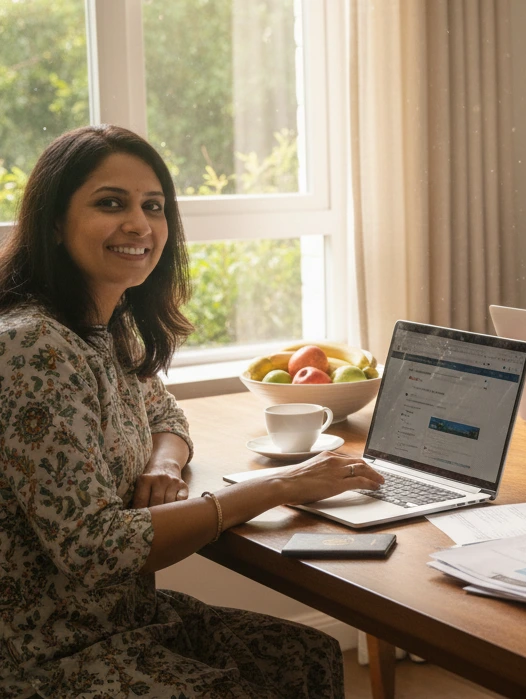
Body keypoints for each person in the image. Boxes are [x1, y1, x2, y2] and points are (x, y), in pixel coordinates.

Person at [0, 125, 385, 698]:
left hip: (121, 621)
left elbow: (166, 414)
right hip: (47, 651)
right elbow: (99, 548)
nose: (139, 224)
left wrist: (162, 464)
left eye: (153, 207)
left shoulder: (103, 328)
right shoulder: (33, 347)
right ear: (54, 223)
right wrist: (282, 485)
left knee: (306, 654)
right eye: (111, 203)